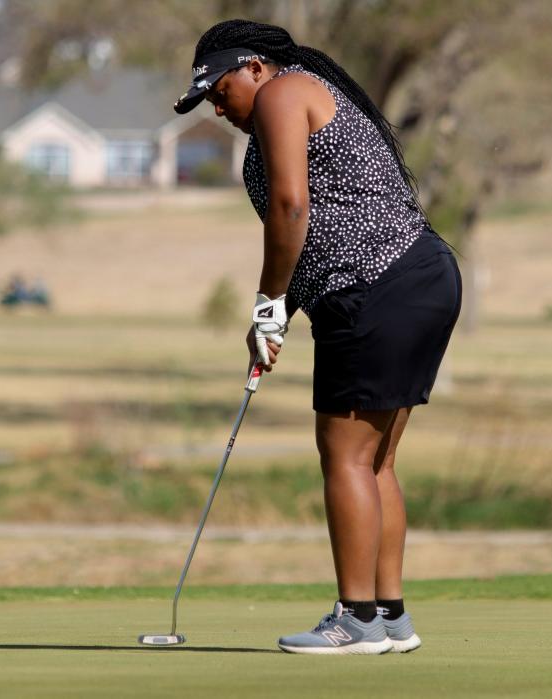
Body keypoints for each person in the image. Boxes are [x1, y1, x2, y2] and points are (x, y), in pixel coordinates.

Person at [173, 20, 462, 654]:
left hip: (377, 282)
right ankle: (389, 617)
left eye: (220, 91)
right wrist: (278, 315)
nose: (218, 108)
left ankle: (355, 619)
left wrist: (269, 301)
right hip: (415, 274)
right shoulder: (294, 102)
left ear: (252, 66)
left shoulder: (282, 93)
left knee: (347, 457)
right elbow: (319, 221)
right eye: (207, 104)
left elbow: (291, 208)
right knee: (376, 459)